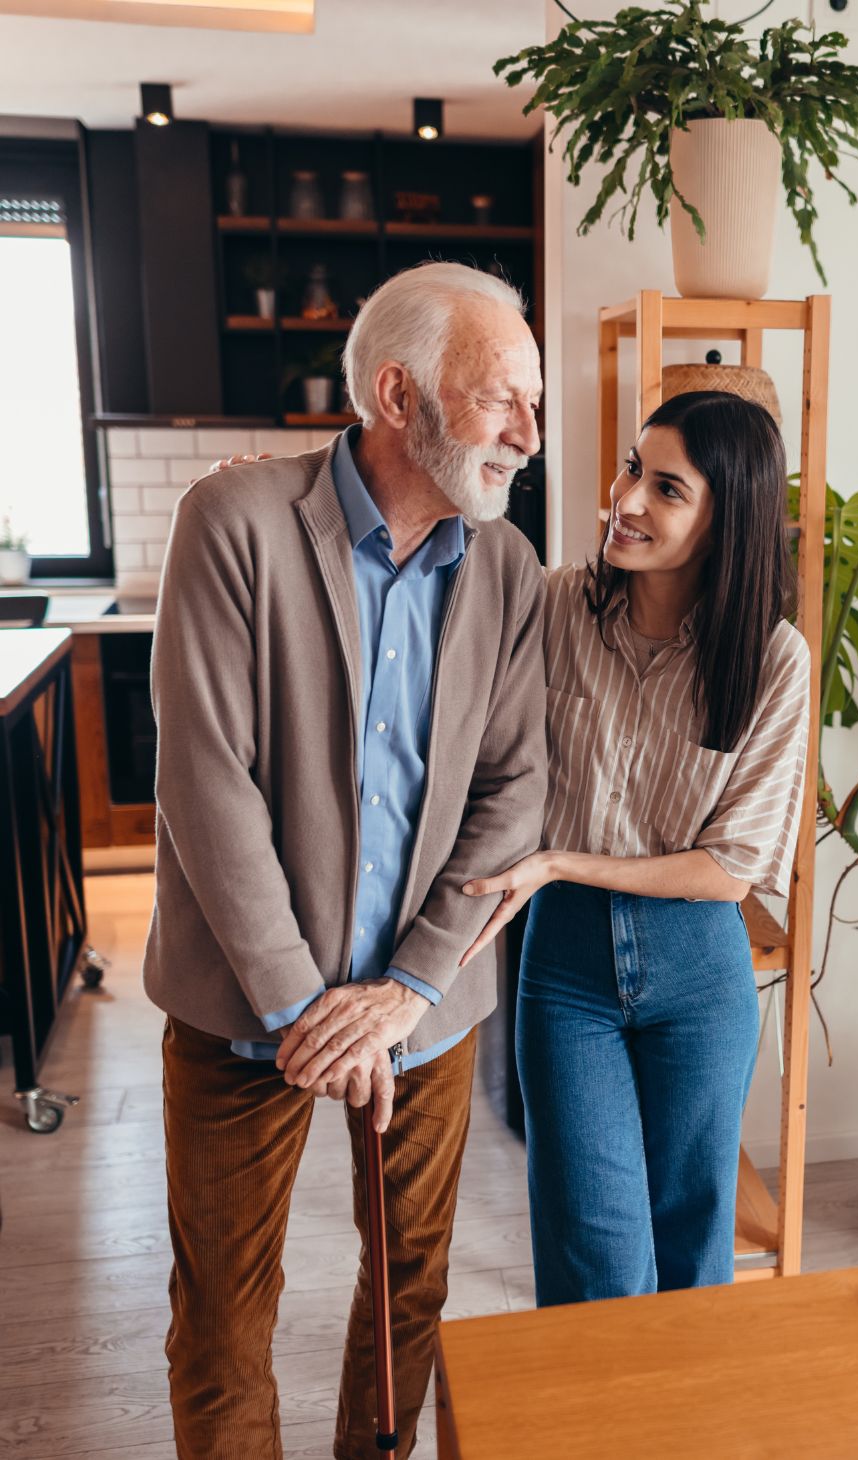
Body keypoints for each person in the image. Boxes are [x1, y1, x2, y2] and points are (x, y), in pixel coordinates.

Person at [143, 260, 547, 1459]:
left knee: (411, 1289)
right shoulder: (235, 521)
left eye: (533, 402)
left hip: (425, 1014)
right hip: (240, 1018)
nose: (527, 434)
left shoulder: (510, 570)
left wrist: (405, 989)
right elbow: (203, 780)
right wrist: (306, 1009)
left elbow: (513, 789)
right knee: (221, 1315)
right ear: (395, 392)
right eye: (499, 401)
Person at [461, 391, 812, 1304]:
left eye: (667, 488)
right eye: (629, 468)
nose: (627, 500)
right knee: (594, 1258)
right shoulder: (552, 607)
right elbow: (435, 573)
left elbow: (731, 870)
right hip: (566, 969)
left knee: (695, 1248)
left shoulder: (772, 660)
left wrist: (559, 861)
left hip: (700, 972)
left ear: (725, 517)